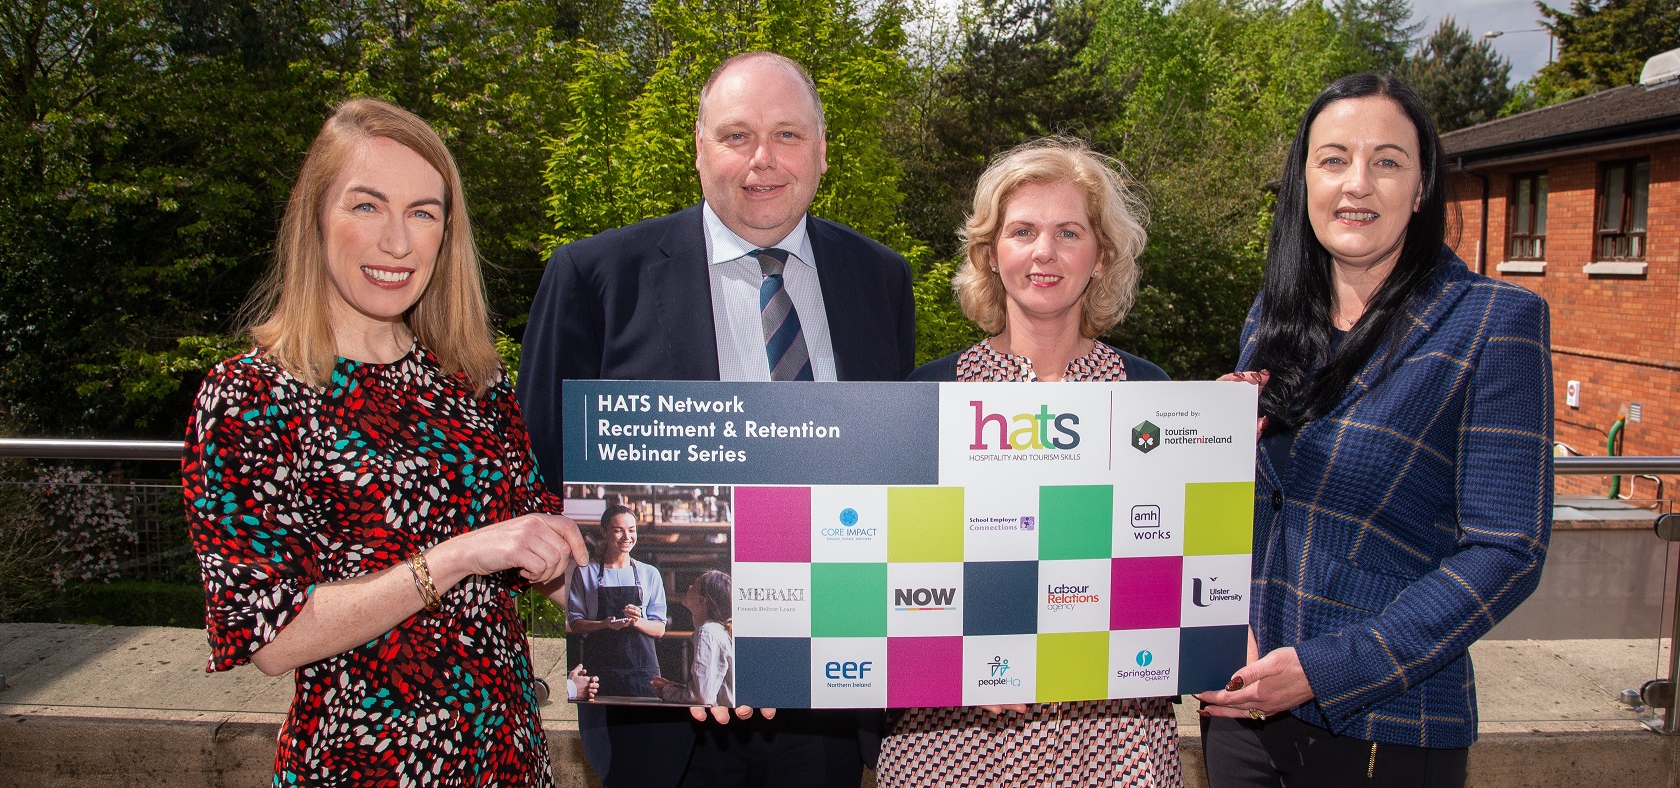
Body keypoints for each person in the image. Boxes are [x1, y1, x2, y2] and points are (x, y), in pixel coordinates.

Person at [517, 51, 913, 788]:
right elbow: (531, 472)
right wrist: (580, 598)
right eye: (737, 136)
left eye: (787, 135)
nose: (763, 159)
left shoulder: (880, 277)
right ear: (699, 149)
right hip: (664, 719)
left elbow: (896, 470)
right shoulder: (595, 277)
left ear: (822, 151)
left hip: (831, 691)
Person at [180, 98, 593, 787]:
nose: (398, 243)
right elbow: (272, 638)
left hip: (507, 759)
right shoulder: (248, 396)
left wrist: (721, 648)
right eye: (367, 206)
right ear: (315, 217)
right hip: (362, 764)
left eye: (423, 213)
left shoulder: (473, 381)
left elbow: (550, 555)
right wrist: (458, 556)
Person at [1195, 73, 1554, 786]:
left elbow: (1507, 550)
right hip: (1242, 708)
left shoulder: (1494, 321)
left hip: (1387, 726)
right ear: (1304, 182)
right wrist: (1209, 446)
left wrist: (1326, 669)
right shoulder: (1274, 315)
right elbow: (1253, 506)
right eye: (1333, 160)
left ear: (1421, 189)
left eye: (1386, 161)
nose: (1356, 183)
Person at [879, 137, 1179, 787]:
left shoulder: (1150, 396)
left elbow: (1170, 567)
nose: (1045, 252)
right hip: (951, 743)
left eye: (1069, 232)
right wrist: (958, 663)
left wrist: (1227, 445)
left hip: (1114, 740)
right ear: (990, 252)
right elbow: (889, 574)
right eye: (1023, 231)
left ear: (1101, 256)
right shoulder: (928, 395)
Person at [568, 504, 668, 698]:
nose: (626, 537)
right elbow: (575, 623)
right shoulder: (585, 572)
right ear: (604, 532)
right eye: (618, 530)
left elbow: (659, 629)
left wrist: (637, 621)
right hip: (600, 669)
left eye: (631, 530)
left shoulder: (650, 573)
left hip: (641, 672)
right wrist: (603, 624)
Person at [651, 570, 735, 707]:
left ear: (702, 601)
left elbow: (701, 697)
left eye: (695, 585)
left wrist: (668, 692)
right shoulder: (715, 630)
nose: (689, 586)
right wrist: (680, 689)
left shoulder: (707, 633)